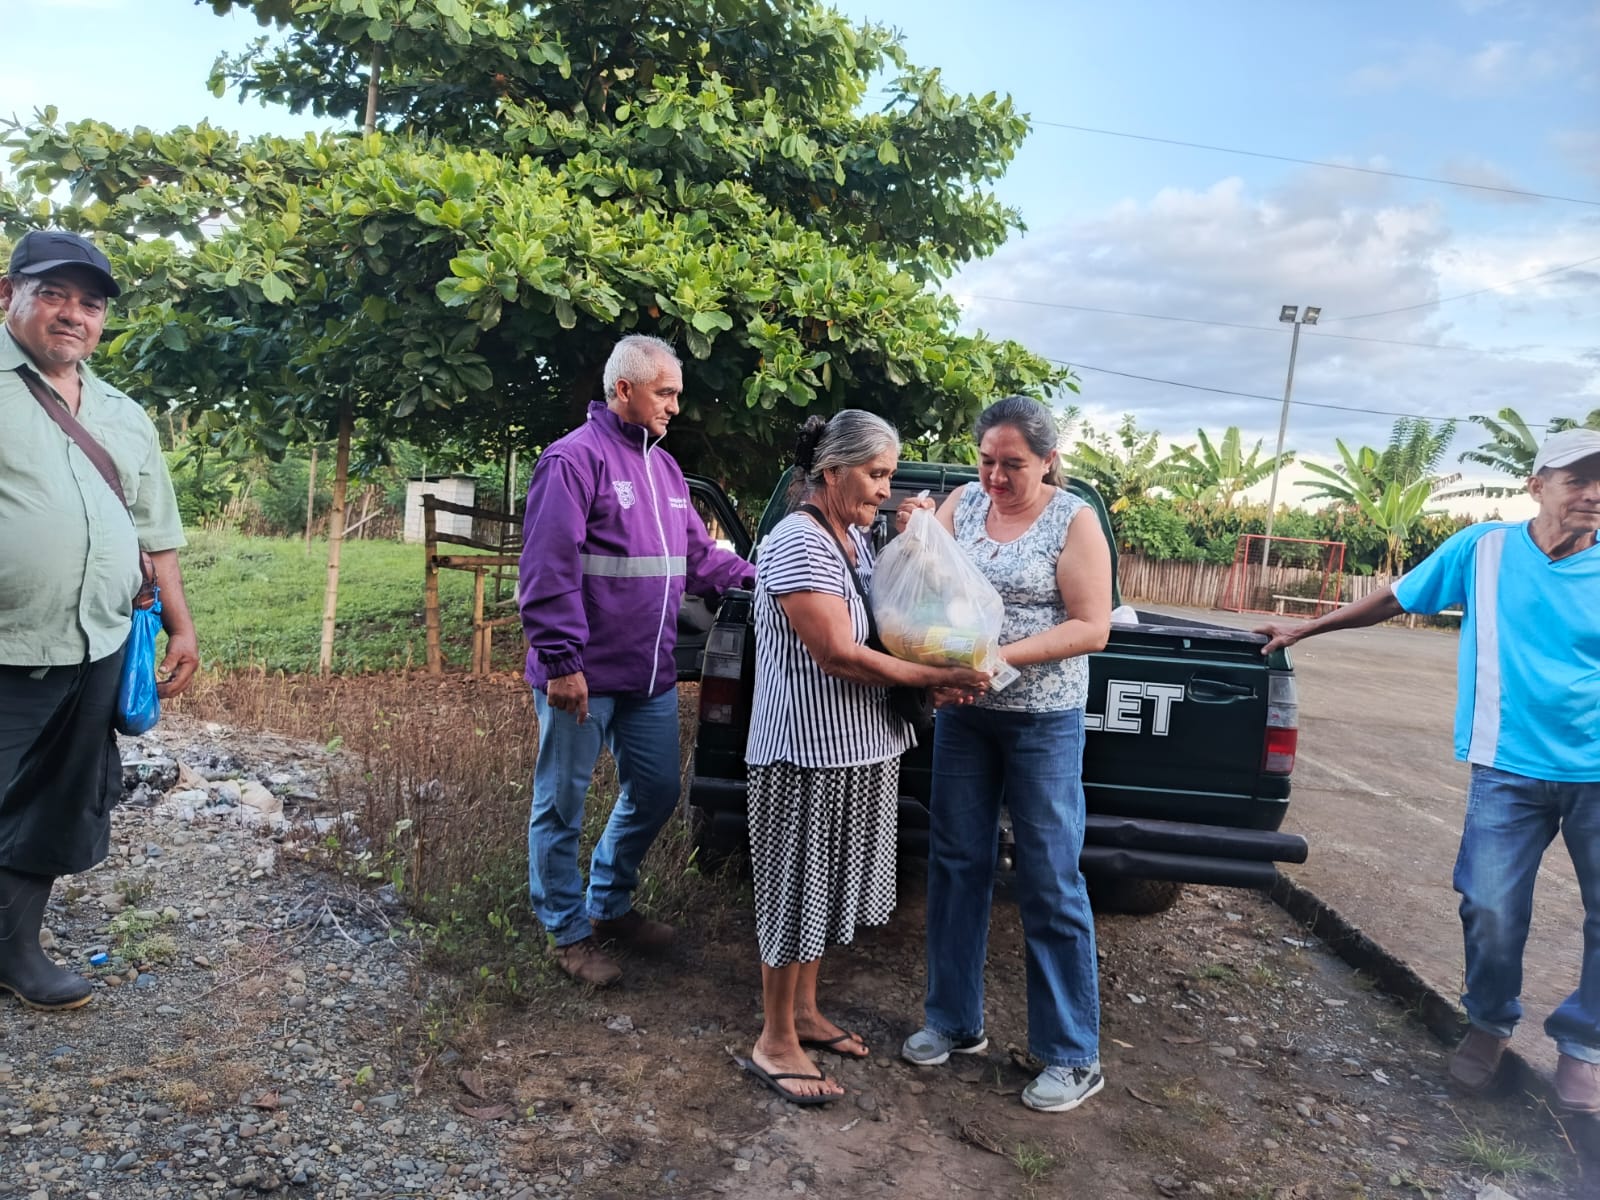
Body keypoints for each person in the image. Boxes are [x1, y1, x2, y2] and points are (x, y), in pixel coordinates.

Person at [1256, 427, 1600, 1114]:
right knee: (1491, 906)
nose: (1593, 494)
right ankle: (1490, 1022)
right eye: (1578, 479)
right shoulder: (1484, 550)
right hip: (1506, 764)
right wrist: (1305, 628)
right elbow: (1396, 597)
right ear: (1536, 486)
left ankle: (1584, 1046)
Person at [742, 411, 989, 1104]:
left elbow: (893, 623)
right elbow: (839, 654)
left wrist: (920, 545)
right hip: (805, 752)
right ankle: (774, 1040)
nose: (885, 489)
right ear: (831, 471)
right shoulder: (799, 542)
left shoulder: (850, 539)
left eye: (889, 475)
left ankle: (804, 1013)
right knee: (794, 895)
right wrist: (935, 677)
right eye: (876, 475)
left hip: (857, 747)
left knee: (820, 893)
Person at [898, 394, 1113, 1113]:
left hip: (1042, 721)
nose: (995, 476)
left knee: (1049, 876)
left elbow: (1091, 627)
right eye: (987, 460)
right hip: (967, 715)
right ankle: (953, 1021)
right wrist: (916, 531)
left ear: (1049, 460)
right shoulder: (962, 503)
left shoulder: (1072, 520)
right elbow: (929, 586)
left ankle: (1071, 1054)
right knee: (958, 863)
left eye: (1012, 464)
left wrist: (997, 659)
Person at [0, 230, 198, 1011]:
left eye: (89, 303)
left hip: (97, 643)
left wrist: (181, 627)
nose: (72, 314)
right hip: (6, 643)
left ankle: (14, 951)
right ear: (7, 295)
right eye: (52, 293)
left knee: (54, 801)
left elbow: (157, 531)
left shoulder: (122, 412)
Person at [518, 334, 754, 987]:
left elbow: (700, 559)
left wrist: (768, 581)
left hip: (649, 677)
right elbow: (547, 571)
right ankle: (568, 934)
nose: (675, 406)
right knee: (560, 805)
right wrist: (561, 663)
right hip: (582, 676)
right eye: (665, 392)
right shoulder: (572, 461)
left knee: (656, 791)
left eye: (677, 394)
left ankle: (609, 904)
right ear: (624, 389)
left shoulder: (667, 470)